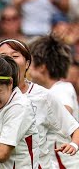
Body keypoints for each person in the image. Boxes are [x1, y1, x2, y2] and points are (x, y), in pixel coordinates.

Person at [0, 39, 79, 168]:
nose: (9, 60)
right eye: (3, 57)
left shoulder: (47, 95)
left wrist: (70, 141)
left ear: (27, 63)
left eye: (15, 56)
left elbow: (69, 121)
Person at [29, 35, 79, 168]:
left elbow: (65, 111)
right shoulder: (47, 91)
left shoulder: (61, 89)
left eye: (31, 63)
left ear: (41, 67)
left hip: (66, 164)